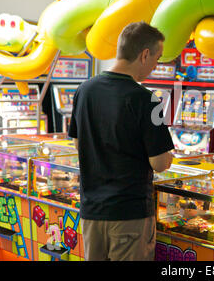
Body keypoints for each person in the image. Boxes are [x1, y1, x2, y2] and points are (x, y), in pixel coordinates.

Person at [69, 21, 174, 261]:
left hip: (91, 212)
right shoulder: (147, 99)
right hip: (129, 215)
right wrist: (168, 157)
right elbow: (159, 162)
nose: (156, 66)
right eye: (157, 58)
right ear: (144, 54)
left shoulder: (84, 90)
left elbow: (78, 144)